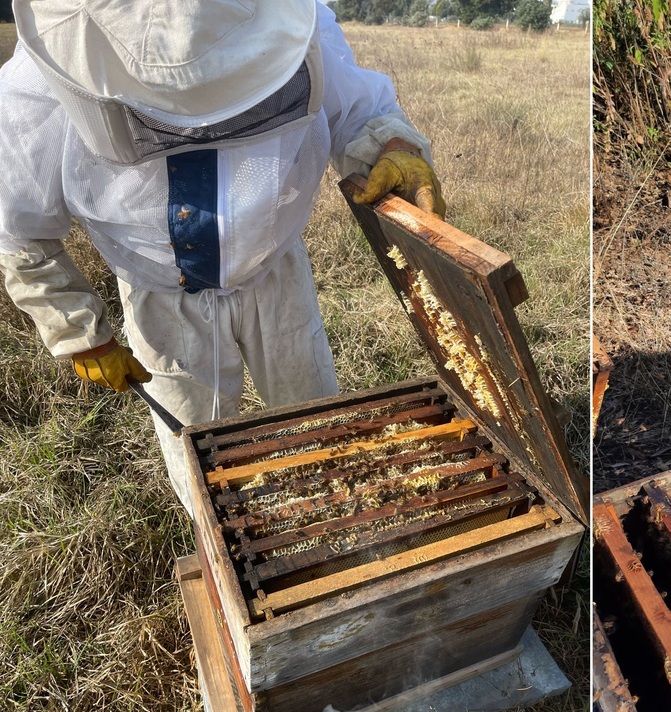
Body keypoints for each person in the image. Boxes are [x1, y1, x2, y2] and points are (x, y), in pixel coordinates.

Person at [0, 1, 444, 517]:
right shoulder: (47, 67)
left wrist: (393, 144)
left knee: (320, 425)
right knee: (199, 458)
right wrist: (76, 328)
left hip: (274, 272)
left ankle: (338, 521)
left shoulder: (296, 21)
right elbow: (17, 224)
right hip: (162, 295)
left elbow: (356, 106)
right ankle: (225, 546)